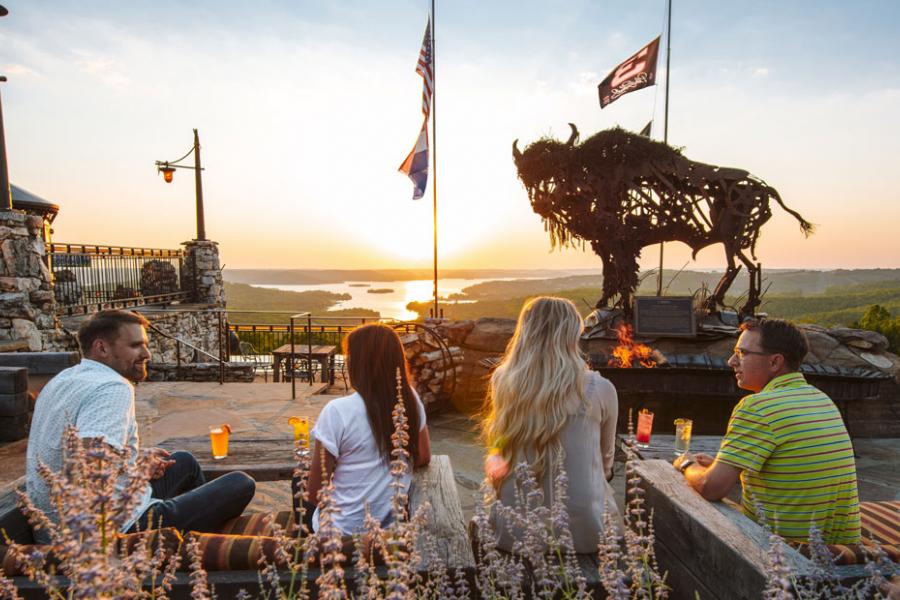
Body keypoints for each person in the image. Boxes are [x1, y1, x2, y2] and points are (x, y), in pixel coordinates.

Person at [26, 310, 256, 542]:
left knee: (183, 461)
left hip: (56, 527)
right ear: (102, 348)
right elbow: (88, 472)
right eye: (136, 346)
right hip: (113, 531)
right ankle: (187, 548)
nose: (147, 353)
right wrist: (137, 472)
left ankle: (191, 538)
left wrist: (133, 461)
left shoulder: (62, 380)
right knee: (240, 484)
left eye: (145, 345)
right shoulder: (112, 388)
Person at [673, 318, 861, 545]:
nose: (731, 361)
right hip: (846, 554)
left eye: (742, 353)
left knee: (674, 487)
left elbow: (710, 487)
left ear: (774, 362)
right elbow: (795, 470)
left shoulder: (757, 407)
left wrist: (686, 463)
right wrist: (732, 466)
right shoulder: (821, 399)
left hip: (788, 557)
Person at [482, 296, 619, 553]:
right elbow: (606, 463)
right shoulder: (601, 388)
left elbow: (498, 450)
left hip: (514, 532)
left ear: (525, 333)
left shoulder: (502, 381)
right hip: (585, 533)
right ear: (571, 336)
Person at [305, 323, 431, 534]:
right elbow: (423, 456)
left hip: (340, 535)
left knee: (297, 486)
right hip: (388, 529)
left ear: (358, 364)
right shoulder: (409, 400)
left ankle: (300, 551)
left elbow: (315, 492)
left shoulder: (337, 411)